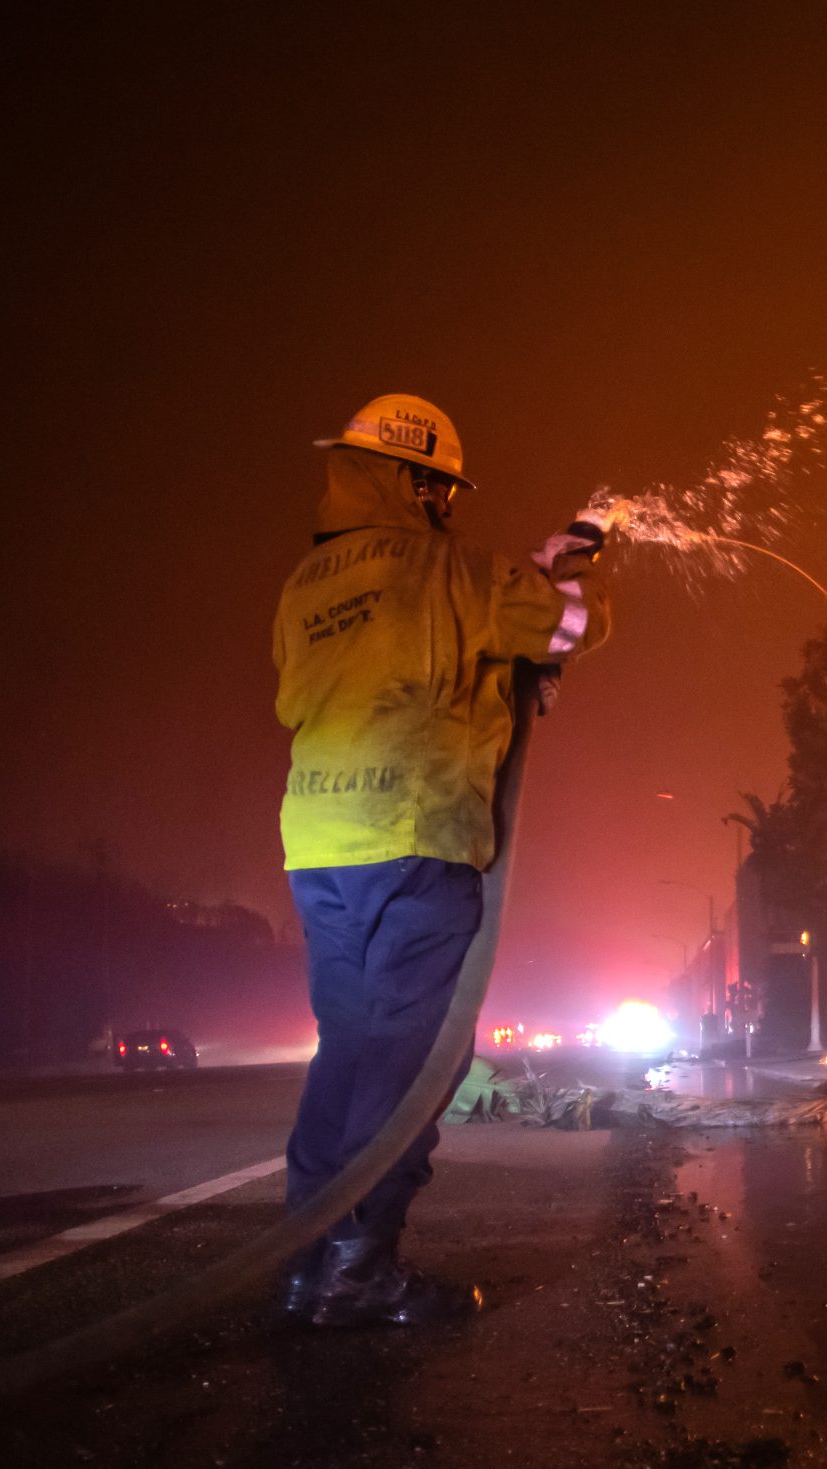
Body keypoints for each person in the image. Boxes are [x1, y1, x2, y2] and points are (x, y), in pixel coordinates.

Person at [273, 394, 612, 1326]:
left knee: (345, 1052)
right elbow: (571, 628)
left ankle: (303, 1261)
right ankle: (356, 1271)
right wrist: (566, 568)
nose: (450, 506)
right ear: (421, 484)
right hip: (416, 839)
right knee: (414, 1063)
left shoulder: (307, 583)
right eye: (444, 489)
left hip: (318, 847)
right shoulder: (452, 568)